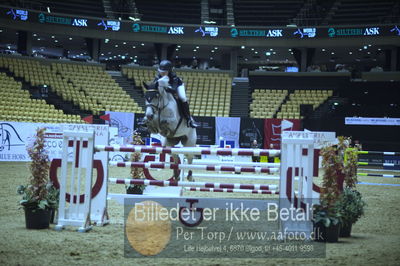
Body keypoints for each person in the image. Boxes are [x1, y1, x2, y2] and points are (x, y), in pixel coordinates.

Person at [154, 60, 198, 128]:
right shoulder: (158, 77)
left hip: (177, 86)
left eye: (164, 72)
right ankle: (147, 119)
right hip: (166, 89)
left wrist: (164, 87)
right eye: (161, 71)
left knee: (182, 98)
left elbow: (173, 89)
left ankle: (189, 119)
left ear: (169, 71)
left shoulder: (174, 78)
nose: (162, 73)